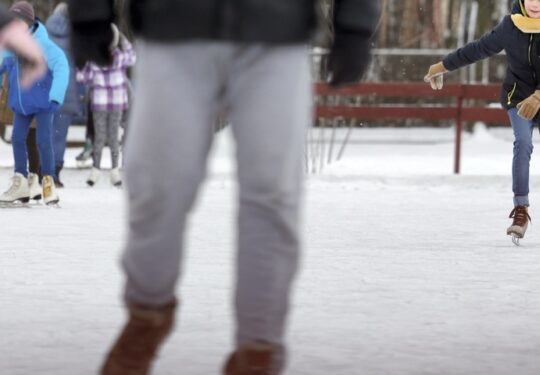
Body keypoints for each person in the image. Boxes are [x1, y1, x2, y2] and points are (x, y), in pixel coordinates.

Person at [69, 0, 379, 373]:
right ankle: (147, 314)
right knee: (158, 185)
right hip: (172, 27)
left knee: (273, 194)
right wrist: (89, 14)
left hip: (277, 32)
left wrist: (356, 24)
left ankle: (258, 349)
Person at [424, 0, 540, 245]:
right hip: (517, 97)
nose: (535, 4)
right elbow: (478, 49)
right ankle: (520, 210)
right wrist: (443, 65)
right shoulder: (511, 25)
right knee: (523, 143)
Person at [0, 1, 68, 206]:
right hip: (21, 104)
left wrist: (56, 96)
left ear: (29, 22)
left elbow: (62, 67)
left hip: (44, 103)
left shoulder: (44, 45)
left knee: (43, 141)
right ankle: (20, 181)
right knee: (18, 139)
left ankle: (47, 181)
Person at [76, 23, 134, 187]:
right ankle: (113, 172)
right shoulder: (120, 56)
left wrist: (79, 65)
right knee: (113, 136)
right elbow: (133, 56)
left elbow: (82, 78)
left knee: (100, 137)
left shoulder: (93, 59)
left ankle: (96, 170)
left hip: (100, 103)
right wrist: (123, 39)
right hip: (116, 103)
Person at [46, 2, 82, 188]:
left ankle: (43, 172)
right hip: (67, 92)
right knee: (60, 134)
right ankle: (56, 174)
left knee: (46, 132)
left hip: (47, 90)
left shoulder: (45, 33)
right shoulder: (75, 36)